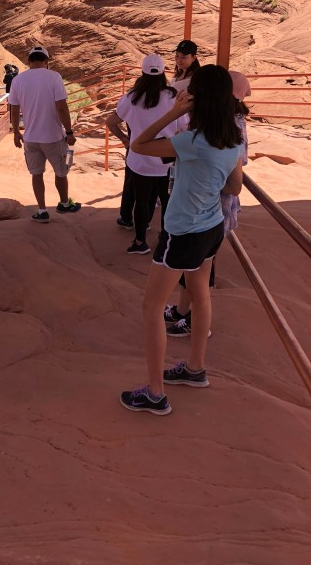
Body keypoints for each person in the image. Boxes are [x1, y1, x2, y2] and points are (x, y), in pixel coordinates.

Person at [120, 65, 244, 415]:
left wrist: (174, 113)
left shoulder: (192, 141)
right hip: (211, 226)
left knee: (152, 307)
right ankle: (195, 369)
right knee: (200, 294)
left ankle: (155, 393)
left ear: (198, 98)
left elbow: (138, 144)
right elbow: (234, 187)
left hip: (183, 231)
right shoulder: (233, 139)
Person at [165, 70, 251, 336]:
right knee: (195, 265)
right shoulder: (221, 122)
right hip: (208, 204)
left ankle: (195, 319)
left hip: (210, 205)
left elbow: (233, 166)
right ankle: (183, 310)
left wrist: (206, 175)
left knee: (201, 265)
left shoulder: (228, 126)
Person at [106, 54, 180, 254]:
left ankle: (140, 242)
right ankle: (165, 240)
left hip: (139, 159)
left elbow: (110, 122)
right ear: (163, 72)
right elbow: (184, 126)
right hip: (167, 160)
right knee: (167, 201)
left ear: (142, 72)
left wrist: (125, 140)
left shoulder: (131, 97)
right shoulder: (173, 97)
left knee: (141, 201)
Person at [9, 45, 81, 222]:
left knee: (36, 174)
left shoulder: (18, 80)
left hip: (30, 138)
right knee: (61, 172)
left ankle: (42, 211)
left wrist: (16, 132)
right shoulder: (54, 77)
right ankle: (64, 204)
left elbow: (14, 110)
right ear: (47, 61)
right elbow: (62, 107)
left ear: (29, 61)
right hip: (53, 137)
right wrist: (69, 132)